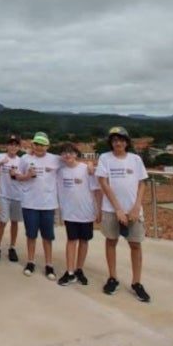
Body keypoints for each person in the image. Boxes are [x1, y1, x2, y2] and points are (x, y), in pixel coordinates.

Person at [96, 127, 151, 303]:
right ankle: (113, 277)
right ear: (111, 143)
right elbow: (104, 183)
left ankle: (137, 282)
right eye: (114, 140)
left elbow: (142, 184)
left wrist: (136, 207)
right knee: (111, 241)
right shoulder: (105, 158)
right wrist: (118, 209)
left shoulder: (135, 159)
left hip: (133, 210)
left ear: (126, 142)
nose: (118, 143)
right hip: (111, 210)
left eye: (121, 140)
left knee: (135, 244)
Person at [14, 131, 60, 280]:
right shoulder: (25, 159)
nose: (39, 147)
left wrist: (90, 167)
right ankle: (31, 261)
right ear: (33, 144)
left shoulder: (55, 159)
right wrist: (27, 176)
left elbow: (72, 164)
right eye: (37, 144)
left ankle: (49, 264)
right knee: (31, 235)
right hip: (30, 203)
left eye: (42, 145)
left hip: (48, 204)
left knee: (47, 236)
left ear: (48, 146)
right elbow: (16, 176)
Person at [55, 143, 101, 286]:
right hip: (70, 212)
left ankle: (79, 269)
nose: (67, 155)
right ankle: (70, 272)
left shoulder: (86, 169)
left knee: (84, 241)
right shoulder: (60, 171)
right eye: (64, 152)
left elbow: (96, 189)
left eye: (70, 152)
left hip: (86, 211)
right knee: (71, 240)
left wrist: (99, 210)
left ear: (76, 154)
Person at [0, 135, 23, 262]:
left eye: (15, 144)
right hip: (4, 194)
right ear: (7, 146)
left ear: (19, 147)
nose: (13, 147)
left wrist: (17, 175)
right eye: (11, 144)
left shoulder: (21, 161)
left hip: (17, 195)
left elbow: (25, 177)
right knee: (3, 221)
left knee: (14, 221)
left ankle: (12, 247)